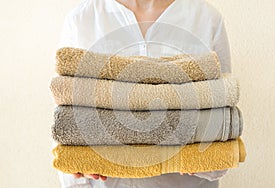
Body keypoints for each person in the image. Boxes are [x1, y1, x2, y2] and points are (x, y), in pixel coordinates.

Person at [56, 0, 232, 187]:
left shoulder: (206, 19)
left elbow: (222, 115)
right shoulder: (81, 20)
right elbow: (66, 120)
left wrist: (203, 158)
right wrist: (78, 163)